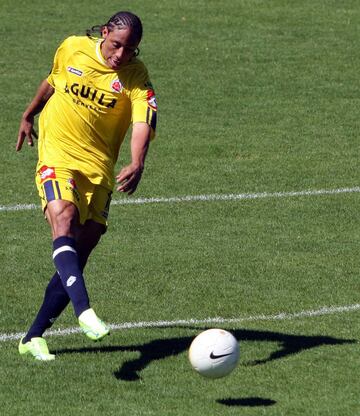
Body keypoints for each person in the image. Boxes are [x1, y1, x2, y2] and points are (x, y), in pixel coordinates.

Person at [16, 11, 157, 361]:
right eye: (116, 45)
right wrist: (29, 113)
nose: (121, 55)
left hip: (99, 170)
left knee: (81, 250)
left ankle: (32, 338)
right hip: (57, 155)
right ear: (104, 33)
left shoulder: (136, 76)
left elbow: (143, 121)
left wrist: (137, 161)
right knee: (62, 217)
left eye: (130, 49)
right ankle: (84, 310)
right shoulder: (72, 48)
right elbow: (53, 81)